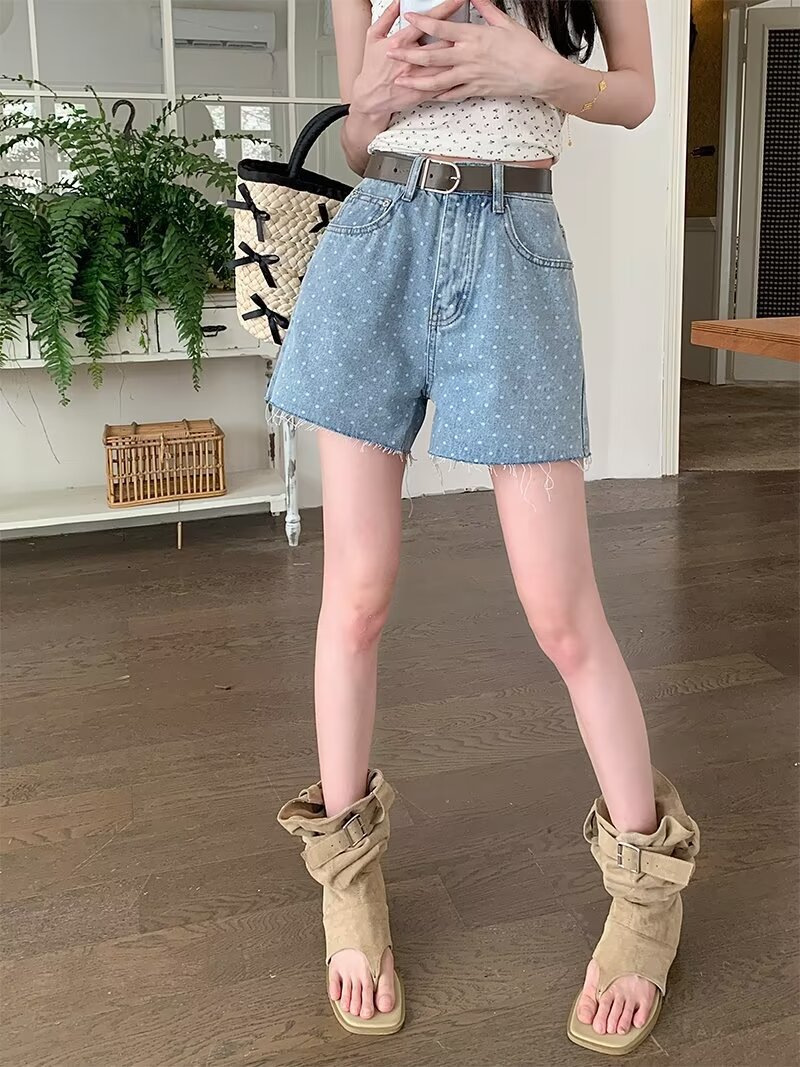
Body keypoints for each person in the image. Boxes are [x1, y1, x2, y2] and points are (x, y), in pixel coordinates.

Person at [271, 0, 700, 1055]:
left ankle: (649, 893)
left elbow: (638, 97)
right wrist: (372, 98)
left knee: (562, 613)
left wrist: (535, 69)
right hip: (377, 242)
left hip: (512, 251)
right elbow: (360, 139)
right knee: (355, 597)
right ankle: (346, 884)